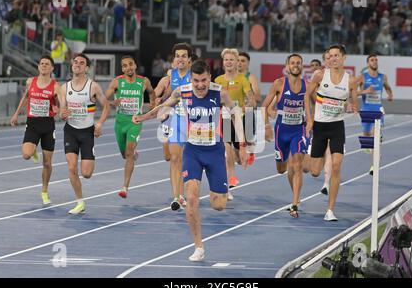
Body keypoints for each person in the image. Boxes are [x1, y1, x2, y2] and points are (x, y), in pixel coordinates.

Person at [132, 60, 248, 261]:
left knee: (218, 205)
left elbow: (236, 112)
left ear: (209, 77)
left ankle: (222, 190)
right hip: (193, 151)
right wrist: (143, 117)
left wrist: (243, 144)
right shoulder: (182, 92)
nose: (200, 85)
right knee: (192, 197)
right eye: (196, 81)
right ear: (191, 80)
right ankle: (198, 247)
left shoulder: (219, 93)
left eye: (204, 80)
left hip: (214, 152)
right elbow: (163, 107)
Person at [304, 44, 359, 221]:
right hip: (320, 127)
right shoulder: (320, 75)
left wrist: (352, 105)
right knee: (314, 171)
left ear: (344, 58)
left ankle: (330, 210)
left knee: (336, 167)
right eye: (331, 56)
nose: (334, 58)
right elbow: (306, 96)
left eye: (337, 55)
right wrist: (310, 119)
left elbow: (353, 101)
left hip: (337, 128)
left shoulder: (350, 80)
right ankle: (303, 157)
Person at [10, 55, 64, 205]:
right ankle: (33, 150)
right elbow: (25, 97)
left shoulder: (55, 86)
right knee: (26, 155)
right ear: (38, 66)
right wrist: (16, 114)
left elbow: (60, 106)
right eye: (42, 63)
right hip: (32, 124)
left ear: (52, 68)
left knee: (47, 163)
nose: (44, 66)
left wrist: (59, 109)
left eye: (47, 64)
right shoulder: (30, 81)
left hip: (47, 126)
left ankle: (44, 191)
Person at [60, 53, 110, 214]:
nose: (77, 64)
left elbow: (106, 106)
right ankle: (79, 202)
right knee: (71, 167)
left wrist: (100, 123)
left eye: (81, 63)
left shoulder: (93, 86)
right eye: (75, 62)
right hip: (70, 131)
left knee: (86, 173)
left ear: (86, 68)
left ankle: (80, 200)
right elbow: (61, 111)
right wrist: (62, 114)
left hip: (87, 133)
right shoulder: (64, 88)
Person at [262, 54, 308, 218]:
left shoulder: (306, 86)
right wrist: (267, 125)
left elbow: (315, 104)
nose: (296, 65)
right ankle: (289, 169)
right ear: (287, 66)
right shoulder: (279, 84)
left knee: (297, 165)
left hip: (298, 131)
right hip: (282, 132)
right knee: (281, 169)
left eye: (298, 63)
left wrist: (310, 123)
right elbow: (264, 106)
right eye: (293, 63)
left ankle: (294, 204)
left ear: (302, 66)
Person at [105, 56, 155, 198]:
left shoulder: (143, 81)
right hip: (120, 123)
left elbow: (151, 92)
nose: (129, 68)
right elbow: (104, 98)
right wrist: (113, 102)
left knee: (128, 153)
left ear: (135, 66)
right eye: (125, 66)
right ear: (122, 69)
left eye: (131, 64)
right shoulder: (117, 82)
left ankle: (124, 187)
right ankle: (132, 154)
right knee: (124, 154)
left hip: (135, 122)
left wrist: (152, 103)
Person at [155, 43, 192, 211]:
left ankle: (185, 192)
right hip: (176, 120)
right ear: (174, 59)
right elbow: (169, 93)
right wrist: (160, 100)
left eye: (184, 56)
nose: (180, 59)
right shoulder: (172, 75)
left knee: (188, 160)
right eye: (178, 56)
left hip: (194, 122)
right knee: (174, 158)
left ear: (189, 60)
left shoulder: (196, 75)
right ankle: (177, 196)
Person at [214, 48, 255, 196]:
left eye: (232, 59)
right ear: (223, 62)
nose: (229, 62)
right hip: (224, 118)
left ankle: (244, 152)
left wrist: (243, 107)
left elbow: (251, 99)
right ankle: (230, 178)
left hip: (240, 119)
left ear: (237, 62)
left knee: (238, 155)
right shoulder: (217, 80)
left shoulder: (243, 79)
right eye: (226, 60)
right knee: (226, 148)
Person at [357, 53, 393, 175]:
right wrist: (365, 91)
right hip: (366, 111)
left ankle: (374, 165)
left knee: (376, 139)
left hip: (378, 111)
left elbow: (387, 87)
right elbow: (354, 92)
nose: (375, 62)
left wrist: (390, 94)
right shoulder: (362, 77)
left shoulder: (383, 77)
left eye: (376, 60)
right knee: (366, 136)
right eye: (372, 60)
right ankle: (369, 146)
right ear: (368, 63)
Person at [303, 52, 333, 196]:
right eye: (328, 58)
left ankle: (326, 184)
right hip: (317, 120)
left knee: (331, 153)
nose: (331, 60)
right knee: (310, 170)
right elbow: (310, 97)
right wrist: (309, 119)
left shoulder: (341, 77)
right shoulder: (318, 77)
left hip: (333, 122)